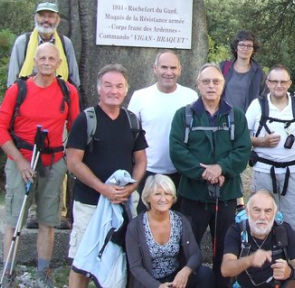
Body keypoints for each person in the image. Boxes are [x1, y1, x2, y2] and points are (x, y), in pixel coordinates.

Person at [0, 43, 80, 287]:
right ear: (34, 61)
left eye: (52, 58)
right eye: (42, 58)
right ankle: (8, 271)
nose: (46, 62)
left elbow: (75, 128)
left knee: (48, 220)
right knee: (15, 219)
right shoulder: (17, 90)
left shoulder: (68, 91)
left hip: (53, 162)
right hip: (21, 160)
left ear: (59, 63)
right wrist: (20, 161)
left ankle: (44, 271)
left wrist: (70, 161)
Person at [169, 63, 252, 287]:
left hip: (226, 197)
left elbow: (243, 151)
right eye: (206, 82)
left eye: (216, 81)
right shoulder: (183, 116)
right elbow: (177, 151)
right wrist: (204, 172)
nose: (211, 86)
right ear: (198, 85)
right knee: (188, 249)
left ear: (223, 85)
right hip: (193, 196)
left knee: (226, 250)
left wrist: (221, 168)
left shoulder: (236, 117)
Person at [67, 64, 148, 288]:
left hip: (122, 203)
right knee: (81, 261)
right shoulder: (86, 119)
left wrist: (132, 187)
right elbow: (73, 161)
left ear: (126, 90)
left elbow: (141, 160)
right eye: (108, 85)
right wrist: (102, 188)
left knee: (118, 258)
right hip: (90, 203)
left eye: (119, 86)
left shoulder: (132, 120)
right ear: (99, 89)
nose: (114, 91)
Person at [245, 64, 295, 272]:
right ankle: (261, 269)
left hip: (292, 173)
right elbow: (242, 138)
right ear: (267, 83)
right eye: (274, 81)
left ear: (289, 83)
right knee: (261, 220)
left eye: (283, 81)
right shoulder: (258, 106)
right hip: (264, 172)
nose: (278, 85)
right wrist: (261, 142)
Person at [128, 50, 198, 214]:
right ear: (155, 68)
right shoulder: (140, 97)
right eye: (164, 67)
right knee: (146, 223)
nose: (169, 72)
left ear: (180, 70)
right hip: (147, 171)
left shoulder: (191, 97)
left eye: (173, 68)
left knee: (178, 222)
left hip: (181, 172)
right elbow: (130, 136)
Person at [126, 174, 214, 288]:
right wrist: (157, 286)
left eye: (167, 194)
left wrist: (185, 271)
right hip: (149, 283)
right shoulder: (135, 227)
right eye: (157, 194)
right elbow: (135, 266)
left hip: (175, 279)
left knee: (205, 274)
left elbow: (195, 254)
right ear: (147, 197)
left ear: (172, 198)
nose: (163, 199)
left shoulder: (180, 221)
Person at [222, 190, 295, 288]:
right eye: (257, 210)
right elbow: (226, 269)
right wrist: (249, 260)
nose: (262, 217)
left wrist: (291, 272)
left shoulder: (284, 230)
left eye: (268, 211)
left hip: (278, 285)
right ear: (247, 211)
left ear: (274, 213)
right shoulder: (236, 231)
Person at [7, 2, 79, 87]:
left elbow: (74, 80)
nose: (46, 20)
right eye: (42, 15)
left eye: (50, 16)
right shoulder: (22, 42)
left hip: (58, 97)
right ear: (35, 18)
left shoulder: (66, 43)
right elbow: (12, 81)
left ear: (57, 20)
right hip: (28, 96)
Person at [220, 30, 266, 112]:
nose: (245, 48)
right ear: (236, 47)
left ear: (253, 50)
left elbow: (264, 99)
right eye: (242, 45)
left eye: (249, 46)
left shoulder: (259, 73)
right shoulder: (223, 67)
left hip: (247, 119)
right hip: (224, 117)